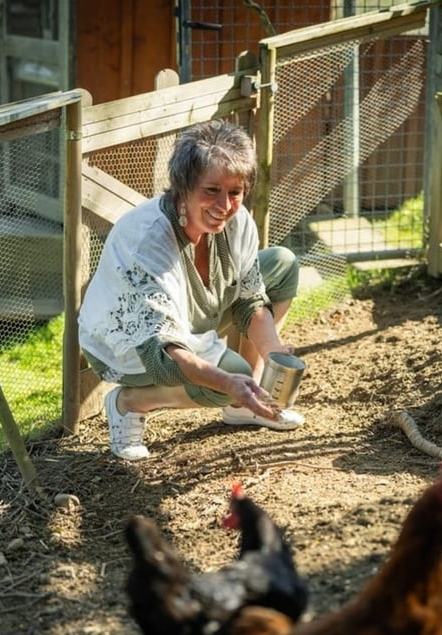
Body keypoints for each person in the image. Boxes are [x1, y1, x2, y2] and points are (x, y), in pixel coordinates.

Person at [78, 118, 305, 460]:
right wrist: (227, 383)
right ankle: (130, 402)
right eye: (211, 190)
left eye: (235, 192)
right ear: (183, 187)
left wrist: (273, 349)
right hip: (129, 346)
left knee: (282, 264)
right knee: (228, 379)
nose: (225, 206)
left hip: (193, 317)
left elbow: (249, 299)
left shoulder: (237, 221)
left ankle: (247, 402)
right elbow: (163, 352)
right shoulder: (149, 240)